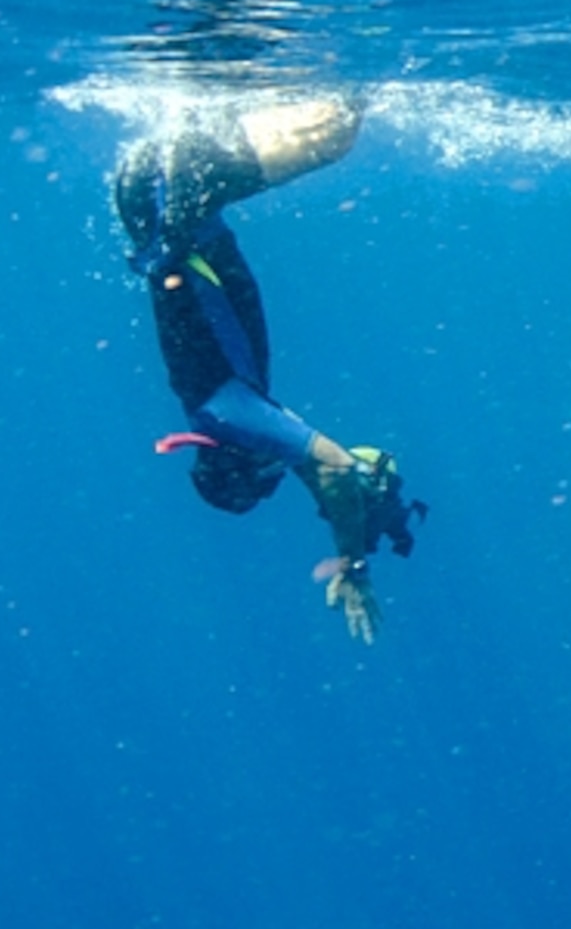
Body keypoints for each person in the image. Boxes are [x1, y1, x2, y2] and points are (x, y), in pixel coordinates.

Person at [115, 92, 422, 642]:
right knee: (290, 113)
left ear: (244, 464)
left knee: (335, 130)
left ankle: (362, 47)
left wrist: (352, 562)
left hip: (173, 190)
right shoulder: (229, 415)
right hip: (163, 199)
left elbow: (328, 464)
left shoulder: (228, 413)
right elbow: (310, 463)